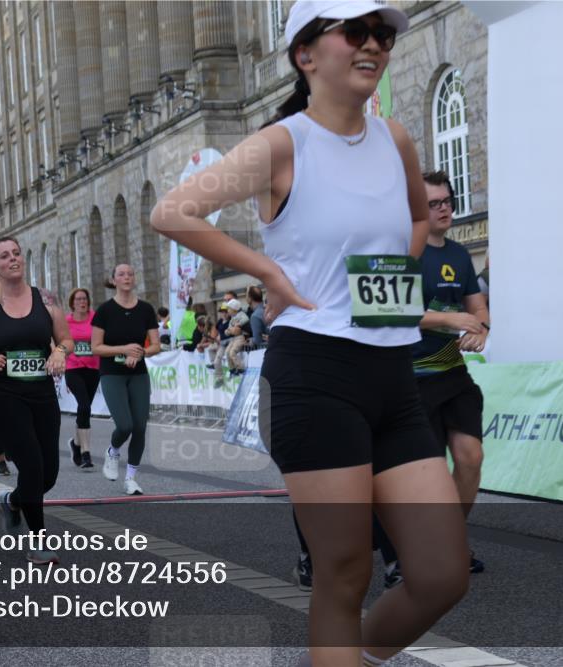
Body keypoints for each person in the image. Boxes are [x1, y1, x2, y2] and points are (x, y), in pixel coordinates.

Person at [151, 2, 468, 664]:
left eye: (381, 34)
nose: (373, 46)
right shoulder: (281, 143)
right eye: (355, 32)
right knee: (345, 573)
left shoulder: (396, 139)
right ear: (306, 54)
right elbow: (172, 211)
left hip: (393, 376)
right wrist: (265, 266)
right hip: (314, 375)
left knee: (442, 573)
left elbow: (416, 219)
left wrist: (391, 283)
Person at [378, 171, 490, 586]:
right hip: (407, 378)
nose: (445, 209)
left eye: (448, 201)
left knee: (469, 458)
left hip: (453, 374)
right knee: (419, 474)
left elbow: (479, 309)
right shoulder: (402, 250)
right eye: (435, 203)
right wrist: (448, 318)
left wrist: (479, 329)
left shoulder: (461, 254)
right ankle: (410, 548)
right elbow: (390, 310)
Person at [0, 237, 72, 564]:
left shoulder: (45, 298)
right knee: (31, 465)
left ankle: (13, 501)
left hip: (42, 393)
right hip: (3, 395)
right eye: (4, 256)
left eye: (16, 253)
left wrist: (60, 352)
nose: (13, 259)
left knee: (48, 474)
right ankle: (39, 542)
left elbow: (65, 338)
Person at [91, 264, 162, 496]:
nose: (127, 277)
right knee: (125, 425)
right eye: (121, 274)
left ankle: (131, 478)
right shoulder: (105, 310)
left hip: (138, 374)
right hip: (112, 373)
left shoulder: (145, 309)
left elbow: (156, 345)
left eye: (131, 273)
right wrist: (124, 349)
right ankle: (112, 451)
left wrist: (139, 352)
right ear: (113, 280)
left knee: (140, 427)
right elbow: (96, 348)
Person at [64, 287, 99, 471]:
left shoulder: (96, 318)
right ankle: (86, 453)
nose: (82, 302)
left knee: (85, 410)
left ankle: (76, 444)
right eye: (78, 299)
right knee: (84, 406)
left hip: (93, 368)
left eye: (84, 299)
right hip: (73, 368)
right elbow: (59, 341)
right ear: (72, 303)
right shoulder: (66, 321)